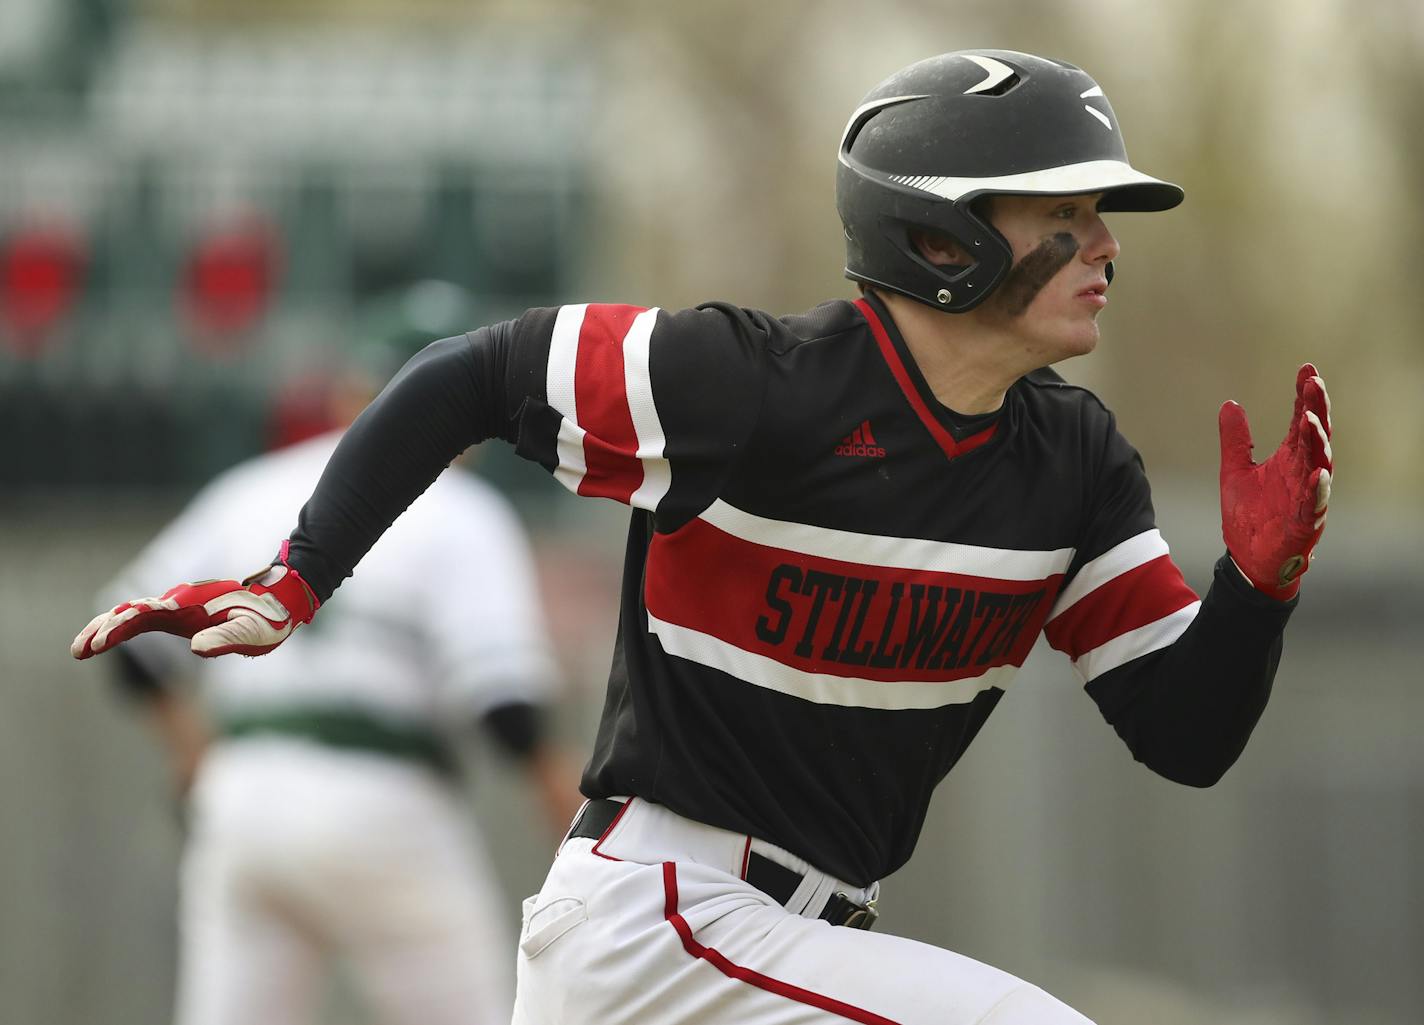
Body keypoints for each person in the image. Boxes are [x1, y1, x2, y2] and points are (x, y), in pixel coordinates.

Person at [73, 50, 1333, 1025]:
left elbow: (1182, 733)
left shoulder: (1074, 461)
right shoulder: (748, 382)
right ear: (938, 236)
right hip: (664, 921)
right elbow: (469, 373)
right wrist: (299, 577)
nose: (1106, 243)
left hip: (782, 949)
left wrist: (1257, 587)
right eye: (1063, 207)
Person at [93, 292, 585, 1025]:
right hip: (382, 804)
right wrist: (567, 807)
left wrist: (192, 751)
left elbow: (128, 649)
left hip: (243, 799)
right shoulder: (461, 507)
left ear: (353, 389)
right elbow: (505, 704)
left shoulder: (251, 487)